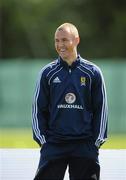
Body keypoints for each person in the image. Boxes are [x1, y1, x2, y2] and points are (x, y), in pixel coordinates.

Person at [32, 22, 108, 180]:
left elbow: (101, 109)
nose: (60, 45)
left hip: (84, 145)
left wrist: (96, 143)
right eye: (57, 40)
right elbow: (38, 110)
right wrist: (44, 142)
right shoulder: (47, 73)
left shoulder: (93, 72)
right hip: (54, 144)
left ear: (77, 40)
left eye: (65, 40)